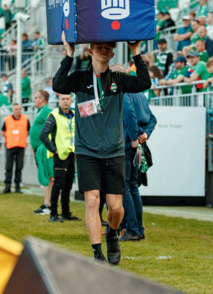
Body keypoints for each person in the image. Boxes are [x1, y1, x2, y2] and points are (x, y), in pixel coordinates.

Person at [54, 32, 151, 265]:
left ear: (113, 53)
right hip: (87, 151)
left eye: (109, 47)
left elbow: (144, 83)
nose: (104, 50)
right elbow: (58, 84)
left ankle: (112, 235)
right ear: (90, 51)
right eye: (99, 47)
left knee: (116, 208)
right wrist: (68, 54)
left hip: (115, 151)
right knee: (92, 201)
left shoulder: (118, 78)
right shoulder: (79, 77)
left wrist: (136, 52)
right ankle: (97, 253)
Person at [118, 69, 157, 241]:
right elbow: (152, 119)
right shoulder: (141, 95)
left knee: (125, 187)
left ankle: (132, 229)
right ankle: (138, 229)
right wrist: (145, 134)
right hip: (139, 144)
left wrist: (135, 137)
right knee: (133, 186)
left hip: (128, 144)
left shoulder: (124, 92)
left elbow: (129, 116)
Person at [39, 94, 80, 222]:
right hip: (60, 155)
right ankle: (53, 214)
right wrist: (54, 150)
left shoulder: (74, 114)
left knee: (68, 185)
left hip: (71, 154)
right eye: (63, 99)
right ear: (58, 101)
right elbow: (43, 134)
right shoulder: (54, 115)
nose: (66, 101)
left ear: (71, 100)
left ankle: (66, 213)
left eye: (68, 99)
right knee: (58, 185)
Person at [30, 90, 54, 215]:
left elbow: (53, 125)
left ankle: (48, 204)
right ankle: (47, 203)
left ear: (42, 99)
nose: (34, 100)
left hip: (44, 149)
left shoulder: (46, 111)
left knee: (47, 177)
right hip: (39, 149)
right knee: (47, 178)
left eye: (36, 97)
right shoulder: (40, 111)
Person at [0, 103, 30, 194]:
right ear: (13, 110)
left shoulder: (25, 119)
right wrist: (8, 137)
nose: (18, 111)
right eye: (16, 109)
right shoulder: (7, 119)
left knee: (19, 167)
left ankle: (17, 187)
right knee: (8, 167)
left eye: (19, 109)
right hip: (10, 146)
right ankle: (7, 186)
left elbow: (29, 130)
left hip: (21, 146)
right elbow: (2, 131)